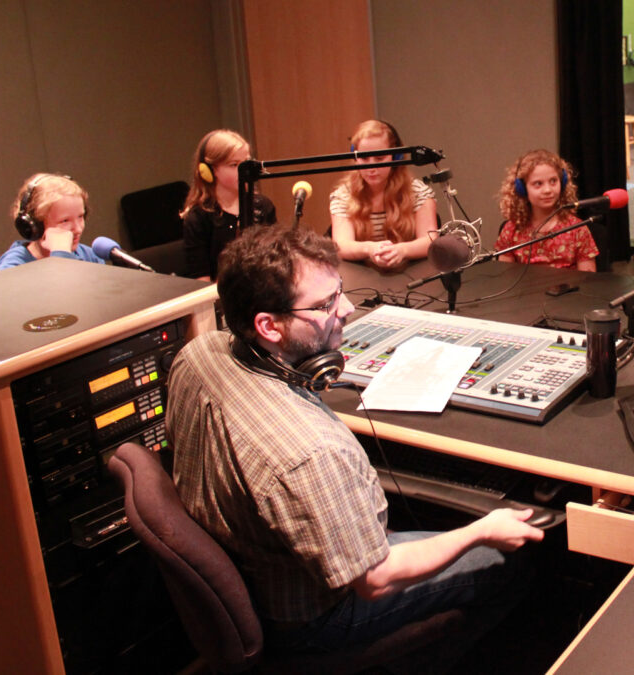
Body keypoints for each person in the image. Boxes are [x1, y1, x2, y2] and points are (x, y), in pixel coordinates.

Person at [165, 225, 541, 659]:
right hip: (314, 617)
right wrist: (480, 531)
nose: (346, 308)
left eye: (339, 291)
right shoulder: (310, 452)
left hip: (257, 573)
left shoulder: (198, 353)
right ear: (267, 325)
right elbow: (375, 579)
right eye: (325, 304)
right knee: (505, 564)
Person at [330, 120, 437, 270]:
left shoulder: (418, 191)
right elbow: (341, 245)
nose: (371, 167)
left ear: (396, 156)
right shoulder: (343, 195)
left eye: (379, 159)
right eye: (364, 158)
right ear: (355, 157)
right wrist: (370, 249)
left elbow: (430, 240)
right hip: (362, 277)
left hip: (410, 273)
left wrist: (402, 250)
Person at [180, 129, 278, 281]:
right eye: (234, 165)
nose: (244, 170)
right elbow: (201, 279)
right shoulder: (198, 218)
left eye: (246, 162)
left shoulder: (263, 206)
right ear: (209, 171)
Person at [495, 149, 599, 271]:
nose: (547, 190)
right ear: (522, 189)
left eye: (553, 181)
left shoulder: (577, 230)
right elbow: (506, 279)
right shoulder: (511, 230)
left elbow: (588, 282)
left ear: (562, 182)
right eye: (538, 184)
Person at [0, 173, 103, 271]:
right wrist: (61, 254)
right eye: (65, 221)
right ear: (36, 226)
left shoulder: (89, 256)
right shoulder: (13, 266)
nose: (78, 229)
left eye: (80, 217)